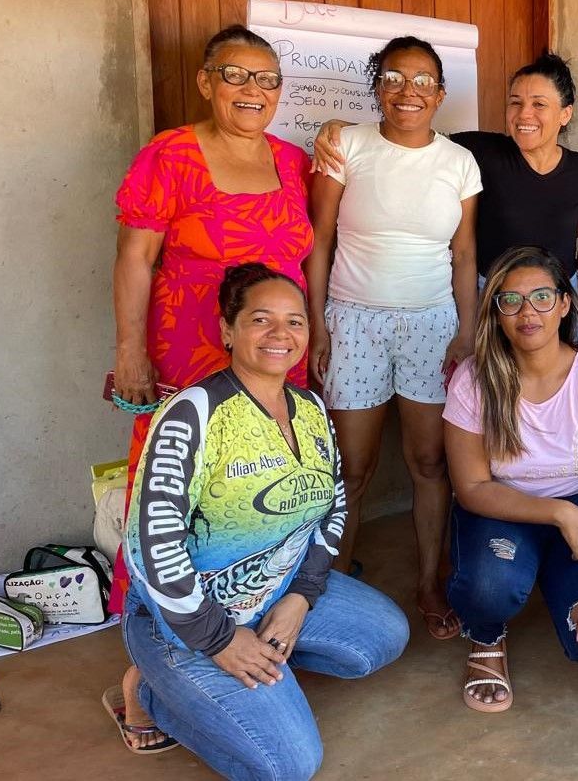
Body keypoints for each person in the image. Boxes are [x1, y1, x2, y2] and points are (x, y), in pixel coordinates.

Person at [113, 264, 408, 779]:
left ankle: (253, 672)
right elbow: (152, 544)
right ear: (228, 330)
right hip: (186, 617)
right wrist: (222, 639)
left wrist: (300, 597)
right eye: (261, 319)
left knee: (382, 637)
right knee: (288, 765)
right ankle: (151, 691)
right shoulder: (193, 413)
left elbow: (333, 508)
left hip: (276, 590)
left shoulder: (312, 408)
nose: (281, 335)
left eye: (296, 322)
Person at [107, 25, 314, 748]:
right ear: (205, 82)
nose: (253, 91)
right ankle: (143, 676)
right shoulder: (171, 154)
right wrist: (129, 348)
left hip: (273, 355)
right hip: (189, 354)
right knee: (169, 505)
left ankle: (236, 631)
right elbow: (136, 258)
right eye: (236, 75)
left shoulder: (294, 162)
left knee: (247, 497)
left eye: (266, 79)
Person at [305, 35, 481, 639]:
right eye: (395, 78)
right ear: (377, 86)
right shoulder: (346, 145)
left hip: (432, 323)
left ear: (440, 92)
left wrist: (467, 328)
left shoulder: (458, 162)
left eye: (423, 80)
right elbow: (320, 240)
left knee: (430, 461)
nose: (409, 91)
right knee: (351, 466)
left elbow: (463, 253)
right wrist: (319, 321)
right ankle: (331, 588)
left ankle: (430, 581)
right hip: (353, 319)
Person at [442, 246, 578, 712]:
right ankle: (487, 635)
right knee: (488, 588)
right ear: (495, 311)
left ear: (565, 303)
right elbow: (471, 488)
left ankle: (575, 580)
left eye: (542, 297)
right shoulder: (474, 378)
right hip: (504, 511)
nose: (527, 312)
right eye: (510, 300)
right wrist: (556, 511)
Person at [314, 52, 578, 287]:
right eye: (516, 102)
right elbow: (412, 134)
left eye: (539, 104)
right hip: (491, 292)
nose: (524, 114)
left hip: (561, 294)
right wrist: (342, 127)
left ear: (566, 113)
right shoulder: (480, 150)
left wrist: (545, 222)